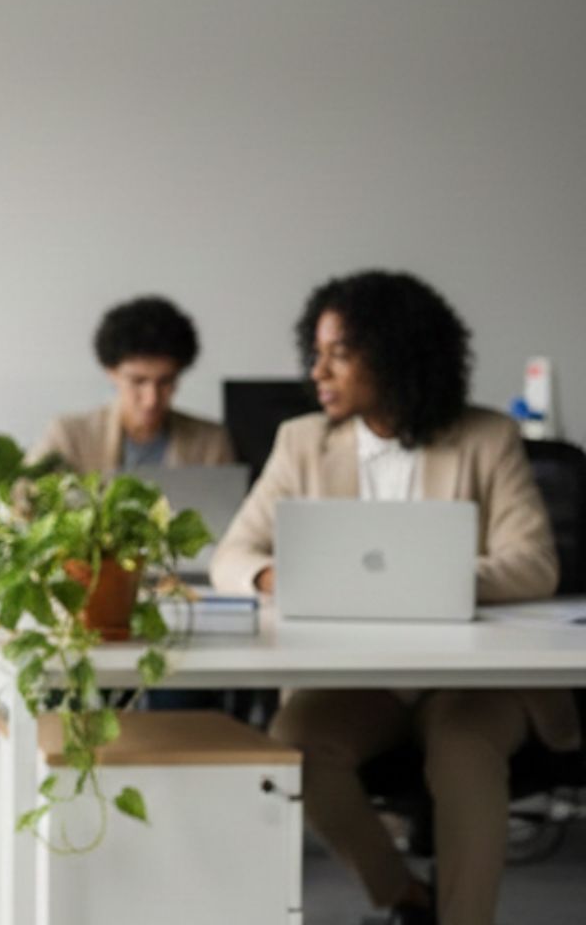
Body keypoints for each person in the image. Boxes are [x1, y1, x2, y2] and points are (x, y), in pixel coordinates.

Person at [210, 270, 577, 925]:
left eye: (339, 354)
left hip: (477, 682)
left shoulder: (487, 437)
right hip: (362, 681)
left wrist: (429, 582)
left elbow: (534, 565)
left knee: (462, 752)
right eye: (315, 352)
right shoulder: (302, 442)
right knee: (294, 739)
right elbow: (231, 556)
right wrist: (274, 579)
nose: (318, 371)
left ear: (396, 354)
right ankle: (404, 895)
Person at [31, 295, 234, 474]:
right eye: (138, 381)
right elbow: (22, 501)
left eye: (165, 382)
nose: (151, 399)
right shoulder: (69, 437)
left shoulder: (211, 443)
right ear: (111, 372)